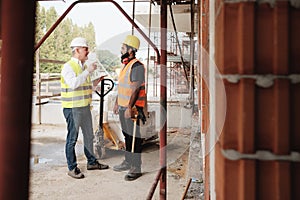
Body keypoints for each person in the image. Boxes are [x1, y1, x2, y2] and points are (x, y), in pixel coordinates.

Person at [61, 37, 109, 179]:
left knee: (89, 136)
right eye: (85, 49)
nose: (87, 51)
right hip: (73, 109)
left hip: (84, 107)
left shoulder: (82, 68)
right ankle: (72, 167)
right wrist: (88, 71)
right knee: (72, 139)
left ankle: (92, 162)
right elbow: (74, 84)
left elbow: (86, 88)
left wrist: (95, 82)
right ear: (77, 50)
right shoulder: (68, 67)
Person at [113, 35, 146, 181]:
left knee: (134, 138)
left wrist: (129, 107)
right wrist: (116, 103)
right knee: (127, 136)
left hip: (132, 109)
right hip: (123, 106)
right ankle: (128, 161)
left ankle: (136, 167)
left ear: (131, 50)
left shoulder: (136, 66)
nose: (121, 50)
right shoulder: (126, 65)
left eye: (123, 48)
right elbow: (122, 87)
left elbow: (135, 89)